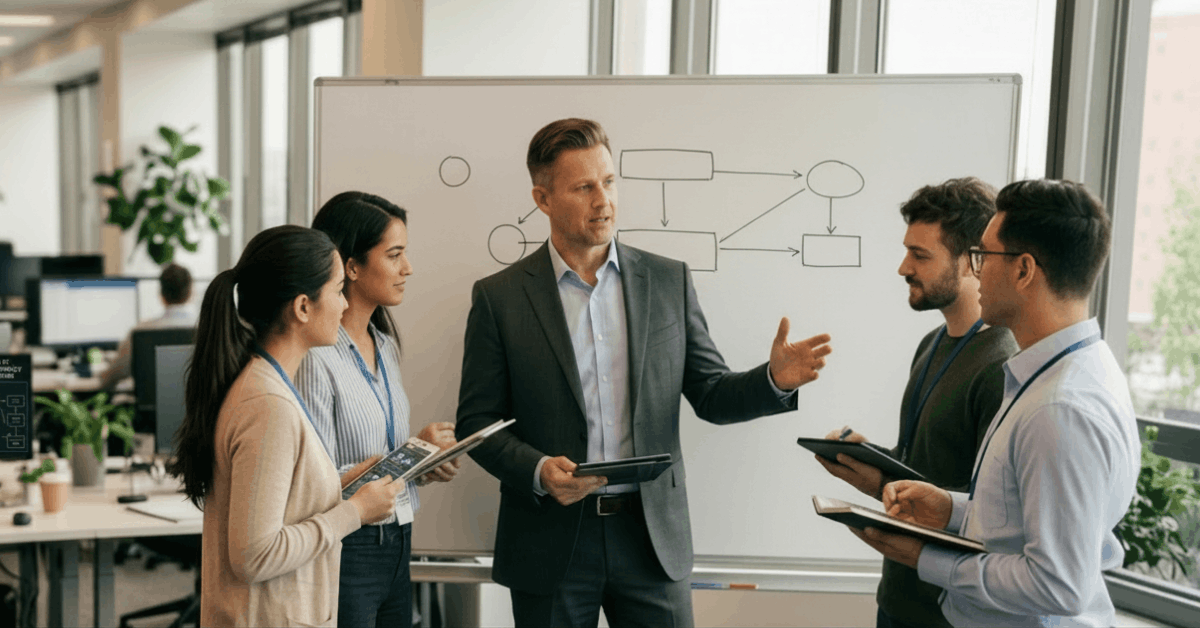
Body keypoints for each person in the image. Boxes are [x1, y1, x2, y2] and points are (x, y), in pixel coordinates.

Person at [455, 118, 834, 627]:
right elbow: (477, 424)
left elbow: (712, 393)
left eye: (609, 182)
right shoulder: (499, 297)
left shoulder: (666, 279)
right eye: (584, 187)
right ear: (543, 199)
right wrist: (539, 471)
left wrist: (773, 380)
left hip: (651, 537)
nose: (603, 200)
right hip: (551, 539)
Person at [852, 179, 1141, 627]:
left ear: (1024, 270)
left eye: (984, 256)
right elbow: (1023, 523)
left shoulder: (1060, 408)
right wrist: (950, 510)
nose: (977, 270)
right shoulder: (1054, 375)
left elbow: (1057, 585)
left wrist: (926, 558)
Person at [170, 225, 406, 627]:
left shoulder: (267, 384)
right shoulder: (268, 405)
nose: (345, 305)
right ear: (302, 307)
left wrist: (340, 484)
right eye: (336, 290)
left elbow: (278, 505)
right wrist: (355, 512)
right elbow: (254, 555)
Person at [815, 177, 1019, 628]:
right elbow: (927, 469)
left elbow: (998, 513)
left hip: (949, 610)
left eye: (920, 255)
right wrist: (874, 470)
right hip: (898, 598)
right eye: (907, 250)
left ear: (972, 261)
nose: (903, 267)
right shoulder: (931, 344)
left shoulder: (1003, 364)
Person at [297, 191, 461, 628]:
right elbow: (313, 482)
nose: (407, 268)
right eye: (394, 255)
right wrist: (397, 460)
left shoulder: (384, 345)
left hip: (398, 541)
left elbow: (379, 460)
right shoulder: (317, 357)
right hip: (349, 546)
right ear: (351, 266)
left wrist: (420, 462)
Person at [98, 263, 197, 391]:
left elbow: (111, 378)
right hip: (196, 410)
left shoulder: (140, 331)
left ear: (161, 294)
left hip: (149, 410)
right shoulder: (208, 329)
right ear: (190, 292)